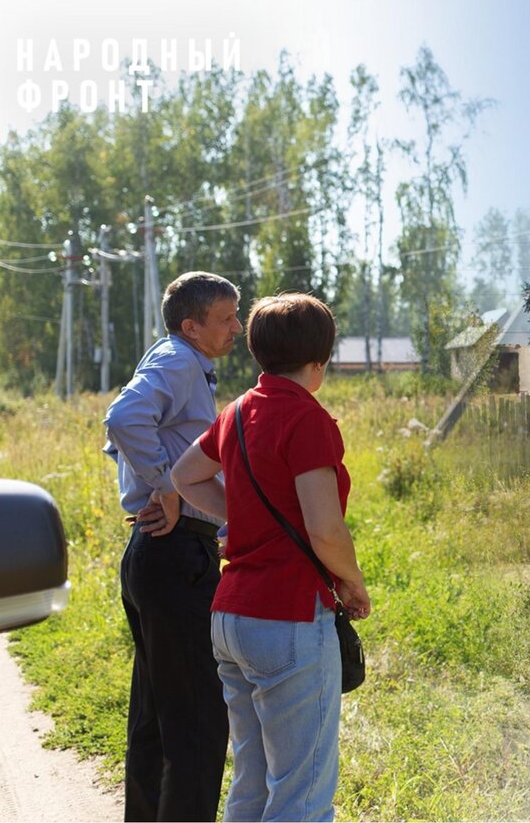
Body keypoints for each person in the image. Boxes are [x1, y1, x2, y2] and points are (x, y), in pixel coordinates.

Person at [171, 292, 371, 822]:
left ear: (259, 353)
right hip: (286, 618)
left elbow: (184, 476)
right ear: (320, 358)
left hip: (231, 616)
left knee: (253, 784)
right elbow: (325, 530)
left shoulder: (237, 412)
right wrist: (352, 584)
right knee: (301, 796)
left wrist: (235, 517)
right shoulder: (307, 419)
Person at [102, 271, 242, 822]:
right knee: (198, 723)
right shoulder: (179, 360)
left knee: (158, 720)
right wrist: (166, 485)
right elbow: (123, 419)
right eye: (227, 318)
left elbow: (126, 434)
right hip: (174, 553)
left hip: (159, 551)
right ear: (192, 325)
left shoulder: (178, 361)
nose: (237, 327)